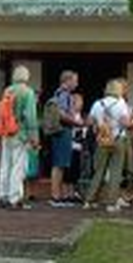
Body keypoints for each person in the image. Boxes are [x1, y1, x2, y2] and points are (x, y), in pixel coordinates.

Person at [83, 78, 131, 213]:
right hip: (117, 139)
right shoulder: (122, 103)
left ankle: (89, 200)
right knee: (116, 172)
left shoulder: (97, 104)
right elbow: (126, 123)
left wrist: (100, 125)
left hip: (102, 139)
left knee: (99, 170)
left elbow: (89, 121)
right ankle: (111, 203)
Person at [0, 65, 39, 209]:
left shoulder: (7, 91)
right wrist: (34, 137)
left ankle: (3, 195)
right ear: (26, 77)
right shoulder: (28, 92)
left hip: (6, 132)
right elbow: (30, 117)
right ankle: (15, 198)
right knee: (18, 166)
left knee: (5, 164)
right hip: (21, 133)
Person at [49, 70, 82, 207]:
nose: (76, 83)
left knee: (60, 163)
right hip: (63, 131)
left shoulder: (59, 93)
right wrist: (75, 122)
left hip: (61, 131)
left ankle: (57, 194)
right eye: (75, 80)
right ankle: (56, 196)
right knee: (60, 164)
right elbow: (61, 114)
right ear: (67, 81)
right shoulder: (64, 94)